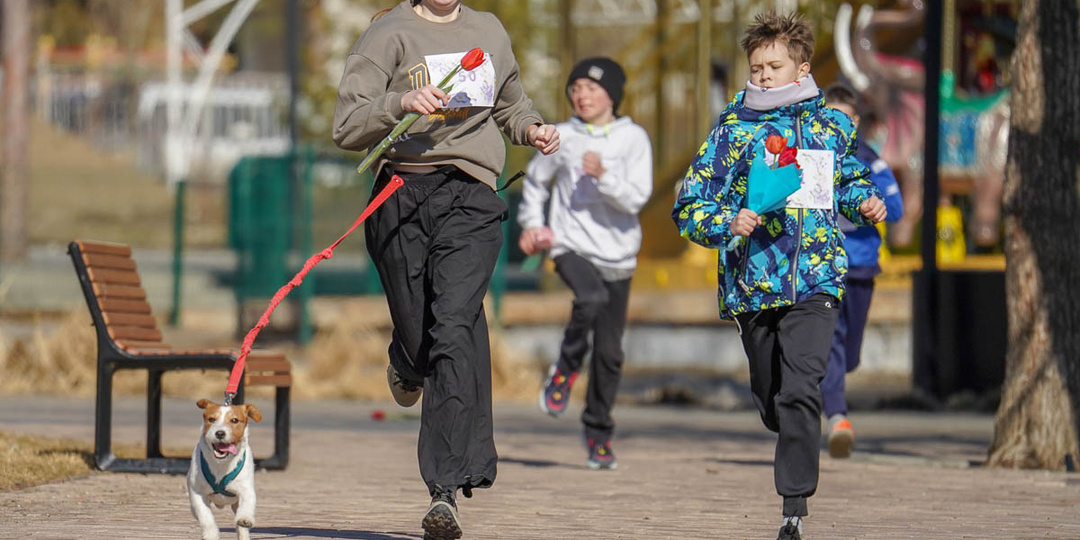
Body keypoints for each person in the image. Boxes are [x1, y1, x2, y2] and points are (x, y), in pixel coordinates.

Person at [332, 1, 559, 539]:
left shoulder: (489, 30)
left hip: (472, 198)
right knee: (422, 339)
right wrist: (400, 101)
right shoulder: (388, 33)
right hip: (400, 194)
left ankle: (444, 491)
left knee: (454, 326)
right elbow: (346, 125)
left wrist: (531, 130)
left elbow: (511, 105)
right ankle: (406, 359)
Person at [671, 12, 886, 540]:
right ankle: (779, 412)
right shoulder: (732, 130)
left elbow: (851, 181)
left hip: (817, 280)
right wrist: (728, 221)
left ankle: (793, 506)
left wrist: (866, 202)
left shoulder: (830, 126)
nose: (764, 75)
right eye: (757, 66)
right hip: (753, 286)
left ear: (801, 68)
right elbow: (690, 205)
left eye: (775, 65)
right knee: (774, 396)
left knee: (802, 389)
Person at [517, 57, 653, 471]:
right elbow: (536, 183)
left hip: (618, 254)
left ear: (611, 94)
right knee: (589, 298)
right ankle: (565, 368)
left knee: (610, 354)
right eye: (575, 88)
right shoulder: (563, 136)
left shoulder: (633, 139)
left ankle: (598, 435)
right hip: (570, 244)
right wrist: (532, 226)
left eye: (591, 89)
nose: (582, 96)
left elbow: (636, 198)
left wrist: (605, 175)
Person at [820, 83, 904, 459]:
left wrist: (866, 199)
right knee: (830, 344)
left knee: (848, 351)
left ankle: (836, 393)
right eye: (829, 117)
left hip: (862, 267)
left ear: (856, 122)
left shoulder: (870, 161)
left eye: (844, 118)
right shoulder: (808, 158)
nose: (836, 125)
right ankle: (838, 418)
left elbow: (897, 207)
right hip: (823, 268)